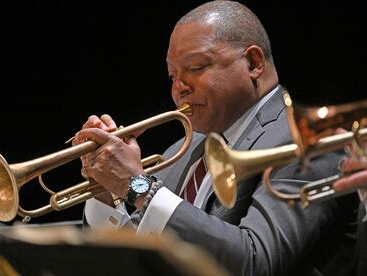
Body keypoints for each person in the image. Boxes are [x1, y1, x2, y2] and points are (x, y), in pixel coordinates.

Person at [73, 1, 359, 275]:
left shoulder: (307, 140)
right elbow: (131, 260)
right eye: (172, 76)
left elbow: (255, 261)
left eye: (196, 68)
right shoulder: (180, 152)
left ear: (253, 62)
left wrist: (136, 185)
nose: (179, 89)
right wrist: (104, 191)